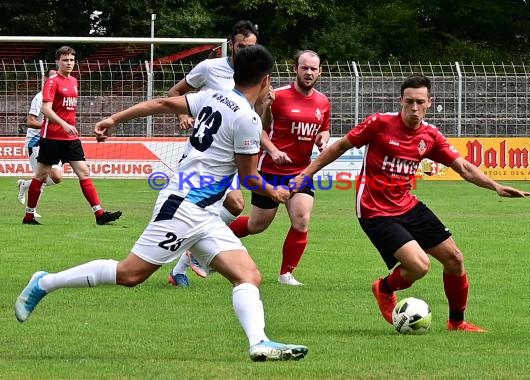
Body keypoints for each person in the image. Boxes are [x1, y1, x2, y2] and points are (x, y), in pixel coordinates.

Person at [15, 45, 308, 361]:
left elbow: (162, 102)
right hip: (185, 206)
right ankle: (45, 282)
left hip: (204, 211)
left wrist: (114, 118)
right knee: (130, 274)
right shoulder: (247, 118)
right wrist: (275, 192)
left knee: (248, 275)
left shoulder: (214, 96)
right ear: (265, 80)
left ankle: (258, 342)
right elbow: (250, 178)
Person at [291, 74, 530, 332]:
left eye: (419, 102)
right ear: (400, 101)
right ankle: (384, 288)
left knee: (455, 259)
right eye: (408, 102)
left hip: (407, 204)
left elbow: (462, 167)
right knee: (419, 266)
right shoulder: (379, 123)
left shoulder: (430, 136)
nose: (413, 108)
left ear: (430, 102)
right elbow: (341, 146)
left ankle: (457, 323)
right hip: (374, 209)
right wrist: (307, 172)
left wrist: (494, 185)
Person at [166, 20, 290, 286]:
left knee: (231, 206)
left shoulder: (258, 73)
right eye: (241, 46)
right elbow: (176, 92)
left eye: (251, 47)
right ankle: (192, 252)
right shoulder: (210, 68)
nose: (246, 51)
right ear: (231, 45)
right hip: (211, 153)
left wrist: (266, 107)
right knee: (233, 203)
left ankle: (181, 267)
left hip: (237, 154)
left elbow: (258, 124)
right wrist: (182, 115)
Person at [229, 50, 330, 286]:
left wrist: (323, 138)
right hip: (271, 169)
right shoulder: (278, 96)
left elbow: (324, 128)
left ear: (320, 72)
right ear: (295, 69)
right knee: (257, 225)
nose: (309, 72)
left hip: (301, 171)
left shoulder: (323, 102)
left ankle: (286, 274)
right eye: (304, 67)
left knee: (302, 218)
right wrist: (273, 150)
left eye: (313, 69)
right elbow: (258, 128)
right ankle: (211, 243)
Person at [21, 45, 122, 226]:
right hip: (51, 137)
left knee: (84, 172)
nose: (69, 63)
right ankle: (29, 215)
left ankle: (99, 214)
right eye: (65, 60)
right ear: (58, 61)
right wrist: (63, 123)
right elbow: (45, 109)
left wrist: (69, 126)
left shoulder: (74, 81)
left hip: (70, 138)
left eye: (72, 60)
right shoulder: (52, 82)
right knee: (41, 176)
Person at [17, 69, 63, 215]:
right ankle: (31, 211)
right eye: (53, 78)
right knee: (41, 176)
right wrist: (53, 125)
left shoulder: (60, 97)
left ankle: (24, 185)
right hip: (36, 141)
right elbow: (30, 122)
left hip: (54, 141)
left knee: (56, 177)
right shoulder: (40, 97)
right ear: (46, 80)